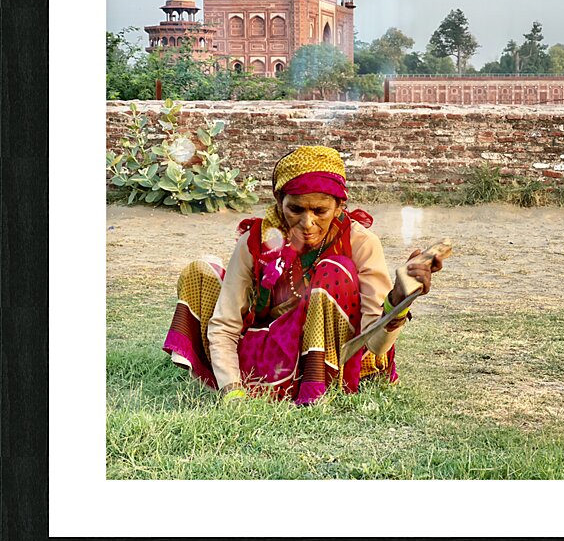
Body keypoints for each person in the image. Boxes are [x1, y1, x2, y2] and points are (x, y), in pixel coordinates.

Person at [162, 145, 442, 405]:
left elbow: (374, 345)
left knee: (334, 270)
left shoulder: (361, 242)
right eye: (295, 209)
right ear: (279, 200)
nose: (307, 223)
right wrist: (231, 388)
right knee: (200, 270)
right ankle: (254, 378)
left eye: (320, 211)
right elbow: (225, 323)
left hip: (334, 357)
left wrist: (399, 299)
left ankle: (314, 385)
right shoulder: (256, 239)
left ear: (339, 207)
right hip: (266, 351)